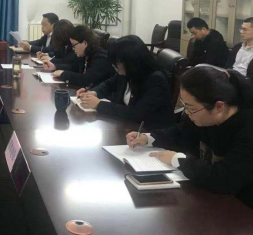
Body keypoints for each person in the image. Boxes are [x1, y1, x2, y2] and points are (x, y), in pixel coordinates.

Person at [127, 65, 253, 208]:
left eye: (191, 108)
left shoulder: (247, 128)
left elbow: (225, 179)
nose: (187, 113)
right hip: (212, 198)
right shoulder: (203, 115)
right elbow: (181, 132)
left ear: (219, 107)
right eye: (185, 106)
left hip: (242, 206)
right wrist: (149, 138)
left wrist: (178, 160)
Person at [77, 35, 174, 129]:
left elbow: (137, 113)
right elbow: (108, 84)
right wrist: (94, 92)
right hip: (125, 126)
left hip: (147, 132)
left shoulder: (155, 80)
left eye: (117, 63)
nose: (114, 66)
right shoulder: (126, 73)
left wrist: (99, 104)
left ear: (131, 61)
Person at [45, 25, 113, 87]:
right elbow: (74, 67)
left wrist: (63, 74)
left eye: (74, 45)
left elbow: (87, 80)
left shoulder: (101, 58)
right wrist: (55, 66)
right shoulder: (85, 55)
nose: (73, 48)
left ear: (84, 43)